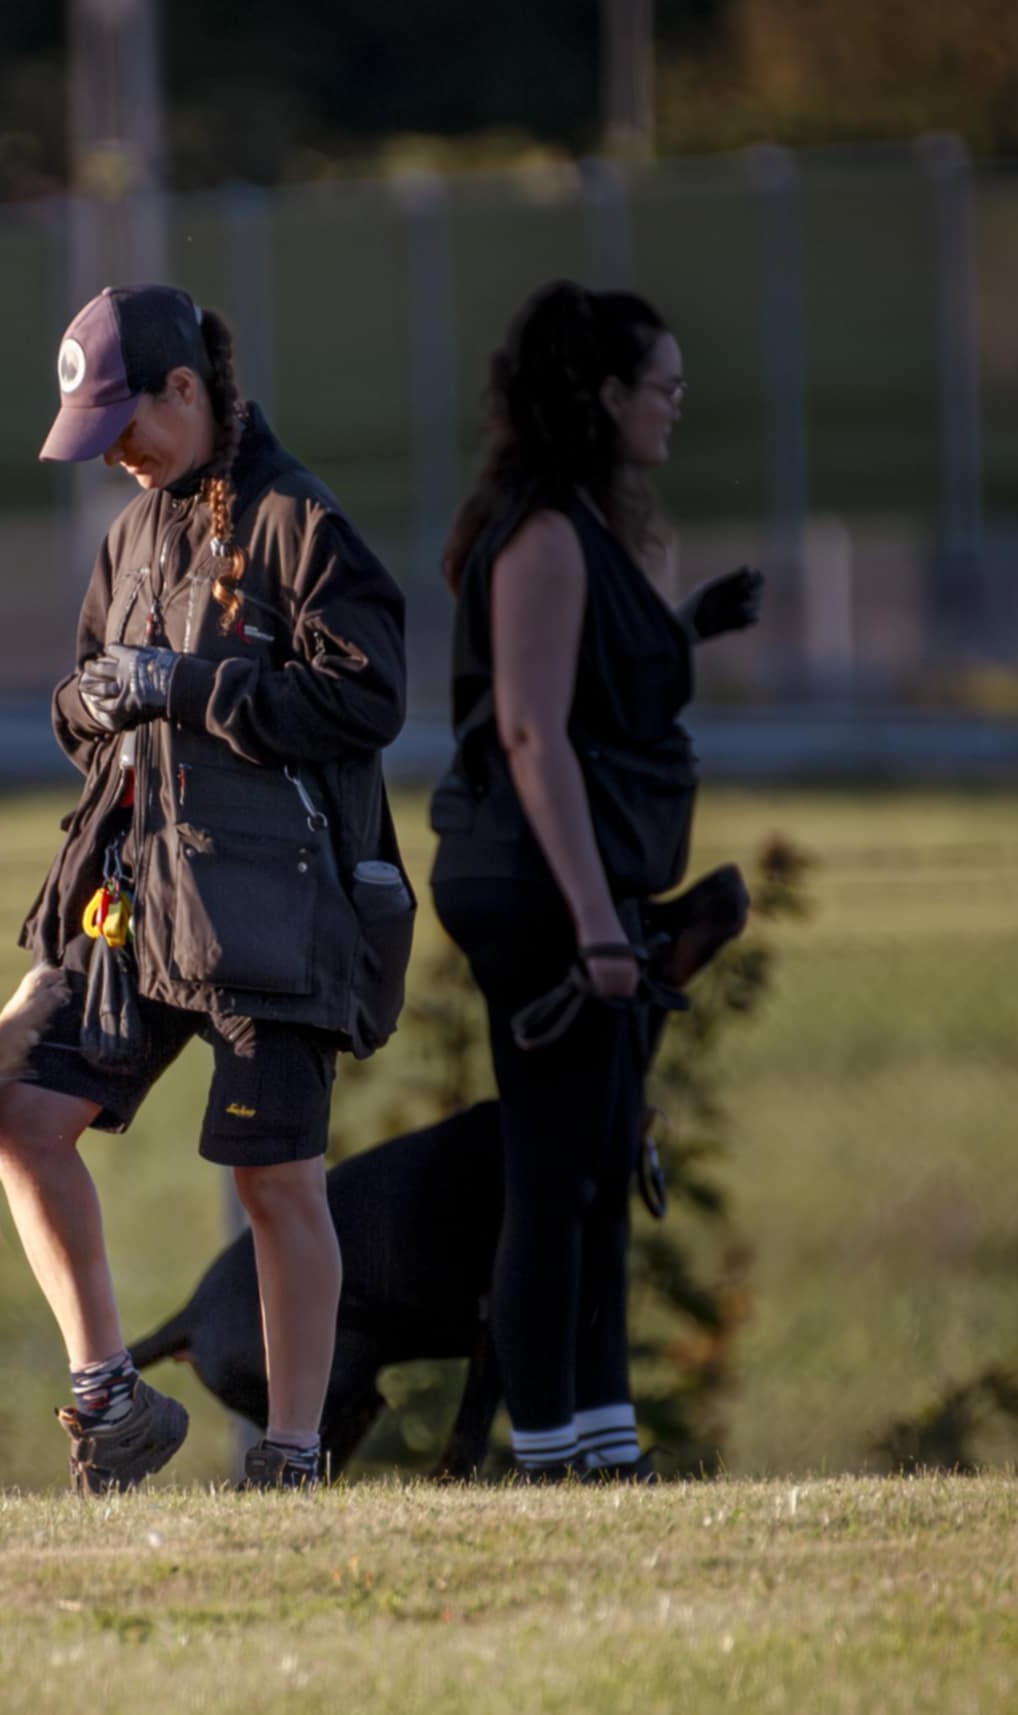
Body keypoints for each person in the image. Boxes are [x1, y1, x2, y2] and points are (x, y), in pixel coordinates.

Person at [0, 284, 410, 1493]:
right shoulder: (130, 534)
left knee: (275, 1185)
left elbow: (367, 697)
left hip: (276, 916)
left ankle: (291, 1456)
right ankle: (109, 1405)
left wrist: (183, 687)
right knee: (13, 1118)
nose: (113, 453)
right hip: (133, 908)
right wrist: (90, 700)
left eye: (124, 424)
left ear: (188, 389)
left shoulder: (296, 519)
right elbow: (82, 699)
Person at [427, 281, 762, 1484]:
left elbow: (586, 683)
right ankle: (550, 1455)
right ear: (605, 396)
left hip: (559, 880)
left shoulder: (571, 528)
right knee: (555, 1176)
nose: (675, 405)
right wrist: (594, 928)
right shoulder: (546, 536)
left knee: (596, 1166)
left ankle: (603, 1450)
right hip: (537, 887)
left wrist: (684, 626)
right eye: (661, 387)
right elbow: (530, 732)